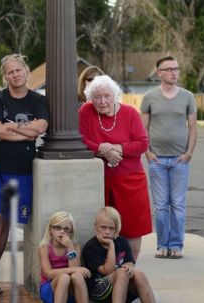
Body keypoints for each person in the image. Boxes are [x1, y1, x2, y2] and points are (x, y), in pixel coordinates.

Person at [0, 54, 49, 302]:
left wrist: (10, 128)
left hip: (21, 171)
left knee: (4, 224)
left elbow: (40, 129)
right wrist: (23, 132)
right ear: (5, 76)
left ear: (26, 71)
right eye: (10, 72)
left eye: (19, 70)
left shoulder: (38, 100)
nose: (15, 75)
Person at [79, 75, 151, 261]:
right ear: (90, 98)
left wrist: (117, 148)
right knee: (104, 226)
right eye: (97, 97)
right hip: (99, 180)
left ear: (115, 95)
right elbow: (81, 140)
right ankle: (105, 269)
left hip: (130, 179)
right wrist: (102, 150)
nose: (102, 101)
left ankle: (130, 267)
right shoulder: (86, 112)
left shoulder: (130, 113)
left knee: (132, 227)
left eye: (107, 96)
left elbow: (142, 144)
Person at [140, 55, 197, 259]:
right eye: (169, 69)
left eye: (176, 68)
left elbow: (192, 127)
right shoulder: (149, 97)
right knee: (161, 205)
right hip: (157, 160)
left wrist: (188, 153)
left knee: (178, 205)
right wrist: (148, 153)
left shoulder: (187, 96)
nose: (174, 72)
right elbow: (143, 129)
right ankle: (162, 244)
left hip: (180, 160)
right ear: (159, 73)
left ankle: (176, 245)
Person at [82, 207, 156, 303]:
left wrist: (129, 268)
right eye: (103, 227)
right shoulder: (91, 247)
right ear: (96, 227)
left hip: (122, 286)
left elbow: (130, 262)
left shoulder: (122, 241)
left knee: (139, 274)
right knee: (122, 273)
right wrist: (111, 246)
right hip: (99, 291)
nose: (107, 232)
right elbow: (108, 271)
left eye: (111, 228)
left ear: (116, 229)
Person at [38, 211, 89, 303]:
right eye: (57, 227)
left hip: (70, 289)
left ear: (71, 233)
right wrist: (75, 270)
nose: (62, 231)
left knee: (77, 276)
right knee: (64, 277)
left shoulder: (75, 247)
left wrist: (70, 247)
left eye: (66, 229)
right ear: (50, 230)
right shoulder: (44, 248)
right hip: (50, 288)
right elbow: (48, 274)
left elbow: (75, 269)